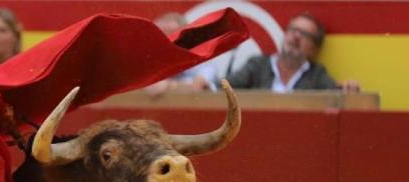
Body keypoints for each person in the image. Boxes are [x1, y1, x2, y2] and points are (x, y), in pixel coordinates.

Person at [225, 12, 360, 93]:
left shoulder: (317, 75)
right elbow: (223, 90)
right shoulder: (258, 65)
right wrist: (206, 82)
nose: (296, 36)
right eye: (293, 30)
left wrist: (349, 89)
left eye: (305, 34)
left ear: (314, 49)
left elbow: (337, 96)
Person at [145, 12, 218, 94]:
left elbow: (197, 87)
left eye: (172, 37)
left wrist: (168, 86)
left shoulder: (201, 63)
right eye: (159, 38)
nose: (165, 45)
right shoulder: (144, 63)